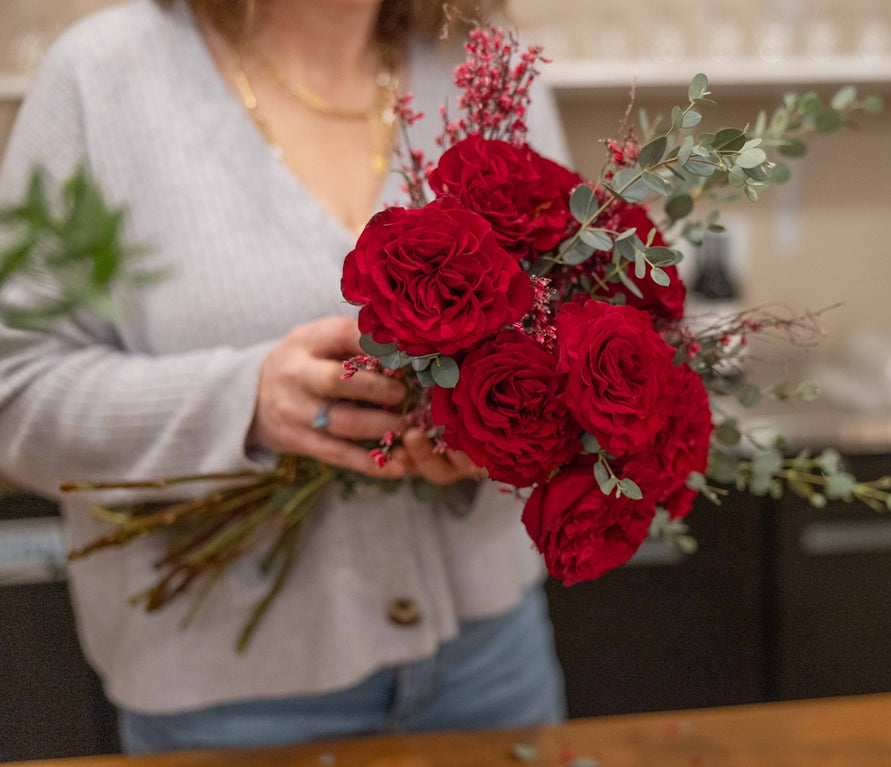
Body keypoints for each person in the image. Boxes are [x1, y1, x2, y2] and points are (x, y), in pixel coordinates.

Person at [0, 0, 569, 754]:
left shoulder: (484, 63)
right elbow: (16, 390)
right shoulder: (102, 78)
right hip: (229, 697)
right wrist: (245, 405)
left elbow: (568, 322)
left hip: (492, 656)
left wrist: (496, 436)